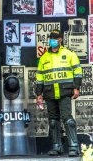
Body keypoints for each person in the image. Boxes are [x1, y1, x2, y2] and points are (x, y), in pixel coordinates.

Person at [36, 29, 81, 157]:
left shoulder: (69, 54)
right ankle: (57, 146)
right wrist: (39, 94)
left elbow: (77, 71)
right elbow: (40, 77)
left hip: (64, 91)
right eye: (51, 38)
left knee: (68, 120)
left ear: (60, 39)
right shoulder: (44, 57)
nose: (52, 40)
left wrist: (76, 87)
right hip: (49, 93)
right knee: (53, 121)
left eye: (55, 38)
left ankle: (74, 146)